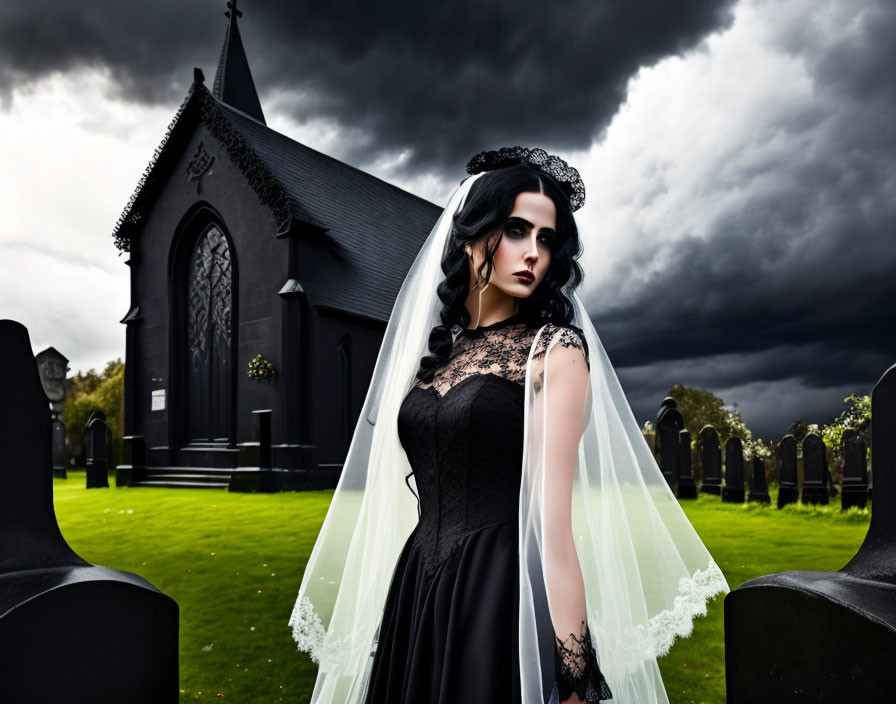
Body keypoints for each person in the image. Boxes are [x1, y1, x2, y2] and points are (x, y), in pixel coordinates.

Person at [289, 147, 730, 704]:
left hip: (499, 591)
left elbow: (554, 530)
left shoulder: (556, 353)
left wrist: (574, 676)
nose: (533, 254)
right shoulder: (440, 356)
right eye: (517, 230)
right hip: (419, 585)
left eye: (546, 240)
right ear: (473, 236)